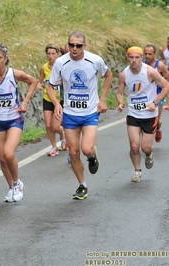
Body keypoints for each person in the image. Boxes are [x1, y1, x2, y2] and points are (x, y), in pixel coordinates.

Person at [47, 30, 113, 200]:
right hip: (70, 113)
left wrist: (103, 99)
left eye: (78, 45)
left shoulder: (94, 60)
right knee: (74, 153)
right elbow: (50, 85)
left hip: (90, 112)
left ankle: (92, 156)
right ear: (67, 44)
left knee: (86, 149)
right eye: (71, 45)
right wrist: (56, 104)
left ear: (85, 46)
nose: (74, 48)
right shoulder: (61, 62)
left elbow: (108, 75)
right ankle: (82, 185)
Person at [0, 43, 37, 203]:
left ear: (6, 58)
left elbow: (33, 81)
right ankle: (11, 187)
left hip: (14, 119)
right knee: (2, 158)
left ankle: (17, 183)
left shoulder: (14, 74)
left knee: (9, 154)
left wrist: (25, 102)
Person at [117, 46, 169, 182]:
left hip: (149, 115)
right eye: (131, 57)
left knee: (145, 147)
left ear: (141, 58)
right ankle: (137, 171)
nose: (134, 60)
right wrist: (120, 102)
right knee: (134, 146)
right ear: (128, 58)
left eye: (137, 57)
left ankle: (149, 154)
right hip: (133, 114)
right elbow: (119, 92)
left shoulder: (150, 72)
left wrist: (155, 102)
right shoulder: (124, 74)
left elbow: (165, 86)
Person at [37, 44, 67, 157]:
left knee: (55, 126)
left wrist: (62, 83)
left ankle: (63, 134)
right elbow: (40, 81)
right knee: (48, 125)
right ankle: (54, 147)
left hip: (59, 100)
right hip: (47, 99)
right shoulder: (43, 67)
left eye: (53, 54)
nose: (50, 56)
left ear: (58, 54)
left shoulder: (62, 67)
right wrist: (38, 86)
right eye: (48, 54)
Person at [143, 44, 169, 143]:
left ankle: (158, 127)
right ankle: (147, 141)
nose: (147, 56)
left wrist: (165, 87)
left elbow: (167, 76)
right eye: (145, 54)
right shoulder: (142, 64)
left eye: (150, 54)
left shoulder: (160, 65)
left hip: (159, 95)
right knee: (145, 118)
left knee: (156, 119)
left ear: (154, 54)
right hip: (147, 95)